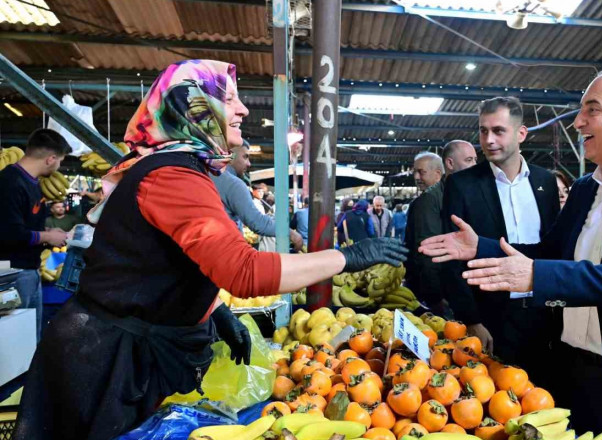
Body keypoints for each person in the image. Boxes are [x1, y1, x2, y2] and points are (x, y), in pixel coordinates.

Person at [11, 60, 407, 440]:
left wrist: (212, 310)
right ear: (194, 105)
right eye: (229, 98)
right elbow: (245, 272)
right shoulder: (174, 175)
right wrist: (347, 257)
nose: (243, 109)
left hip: (113, 345)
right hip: (105, 362)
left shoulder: (176, 167)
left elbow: (168, 257)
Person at [421, 64, 602, 439]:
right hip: (577, 373)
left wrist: (536, 276)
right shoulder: (584, 188)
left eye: (591, 110)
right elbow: (551, 252)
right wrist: (480, 247)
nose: (578, 122)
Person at [440, 96, 561, 394]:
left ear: (521, 134)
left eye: (498, 131)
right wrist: (472, 321)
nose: (489, 140)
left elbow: (552, 249)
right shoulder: (462, 185)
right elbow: (450, 259)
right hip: (492, 319)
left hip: (543, 312)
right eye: (483, 131)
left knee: (545, 396)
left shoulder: (544, 183)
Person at [0, 129, 71, 339]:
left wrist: (48, 232)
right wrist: (49, 237)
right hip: (10, 276)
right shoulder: (9, 183)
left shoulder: (32, 183)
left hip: (28, 272)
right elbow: (9, 233)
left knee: (30, 338)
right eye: (59, 161)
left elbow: (23, 224)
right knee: (13, 339)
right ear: (51, 159)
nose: (58, 166)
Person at [211, 143, 303, 249]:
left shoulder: (208, 175)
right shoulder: (232, 183)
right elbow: (257, 222)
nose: (249, 163)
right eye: (245, 157)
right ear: (229, 157)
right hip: (224, 251)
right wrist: (290, 233)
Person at [404, 152, 447, 310]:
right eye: (415, 171)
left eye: (421, 172)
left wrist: (433, 294)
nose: (416, 177)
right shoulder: (445, 194)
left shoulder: (426, 200)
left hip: (428, 287)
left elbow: (427, 247)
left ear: (437, 174)